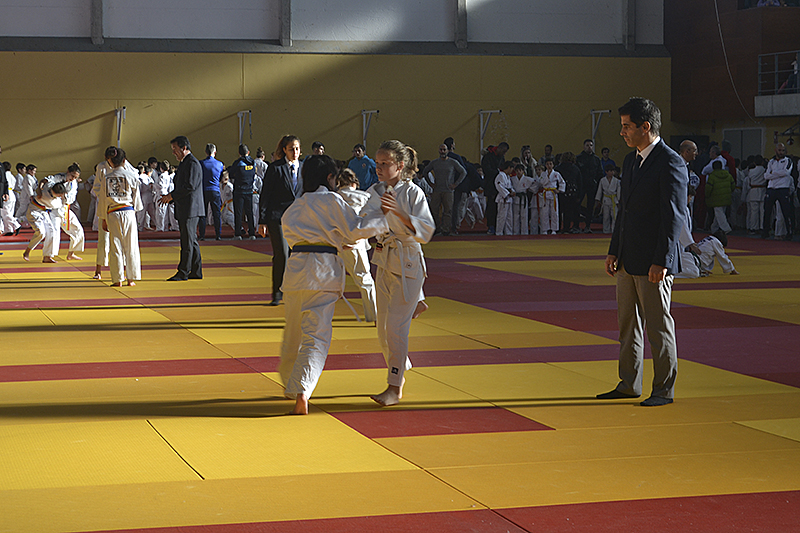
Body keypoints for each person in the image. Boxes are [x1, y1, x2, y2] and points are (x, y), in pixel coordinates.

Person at [279, 155, 390, 415]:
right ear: (330, 178)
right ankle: (302, 390)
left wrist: (335, 240)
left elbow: (290, 234)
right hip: (323, 272)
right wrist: (384, 217)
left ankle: (289, 383)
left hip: (295, 272)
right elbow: (355, 229)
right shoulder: (332, 200)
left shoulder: (296, 204)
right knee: (316, 335)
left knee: (293, 332)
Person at [599, 97, 687, 407]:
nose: (622, 132)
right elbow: (624, 212)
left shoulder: (670, 161)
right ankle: (628, 383)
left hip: (653, 260)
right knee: (628, 325)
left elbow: (673, 216)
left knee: (658, 327)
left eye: (627, 126)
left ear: (645, 127)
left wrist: (662, 260)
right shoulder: (630, 160)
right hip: (627, 257)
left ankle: (663, 389)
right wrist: (613, 251)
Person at [360, 140, 435, 407]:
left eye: (385, 163)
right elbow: (363, 221)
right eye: (377, 163)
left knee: (395, 328)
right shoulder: (374, 191)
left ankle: (394, 386)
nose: (379, 168)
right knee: (382, 329)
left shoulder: (414, 193)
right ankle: (400, 365)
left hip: (408, 263)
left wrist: (401, 214)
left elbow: (426, 232)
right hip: (383, 260)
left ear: (400, 166)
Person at [258, 135, 303, 306]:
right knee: (282, 255)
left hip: (298, 218)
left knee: (296, 256)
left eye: (297, 148)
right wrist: (262, 221)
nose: (295, 152)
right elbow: (265, 195)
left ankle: (294, 291)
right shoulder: (275, 168)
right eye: (291, 149)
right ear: (284, 150)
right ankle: (277, 292)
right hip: (277, 217)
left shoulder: (304, 168)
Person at [335, 168, 378, 322]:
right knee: (365, 280)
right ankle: (374, 316)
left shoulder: (333, 198)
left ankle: (318, 316)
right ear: (354, 182)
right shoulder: (365, 197)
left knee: (327, 283)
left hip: (334, 245)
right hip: (356, 243)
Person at [160, 135, 204, 281]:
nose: (173, 152)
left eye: (175, 149)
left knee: (187, 241)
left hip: (190, 208)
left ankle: (183, 271)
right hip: (187, 207)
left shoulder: (192, 163)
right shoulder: (186, 163)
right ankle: (196, 271)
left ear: (184, 148)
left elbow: (190, 186)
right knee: (191, 240)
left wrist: (171, 196)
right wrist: (171, 197)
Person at [98, 147, 143, 287]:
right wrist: (134, 211)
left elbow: (103, 200)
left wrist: (103, 218)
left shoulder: (106, 178)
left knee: (115, 245)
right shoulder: (132, 176)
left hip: (113, 213)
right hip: (128, 211)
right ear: (124, 161)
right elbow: (136, 199)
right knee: (131, 245)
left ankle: (118, 279)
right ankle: (131, 278)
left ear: (110, 162)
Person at [676, 187, 738, 279]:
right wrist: (690, 243)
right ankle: (671, 274)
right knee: (692, 272)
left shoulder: (684, 209)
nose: (690, 199)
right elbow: (683, 227)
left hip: (688, 253)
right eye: (690, 197)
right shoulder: (680, 208)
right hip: (680, 244)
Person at [42, 163, 85, 261]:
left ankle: (71, 253)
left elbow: (72, 197)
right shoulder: (58, 177)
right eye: (72, 176)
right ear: (68, 172)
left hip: (65, 209)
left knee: (78, 229)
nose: (73, 178)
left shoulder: (74, 183)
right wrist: (42, 187)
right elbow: (47, 181)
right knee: (54, 232)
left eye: (75, 177)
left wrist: (65, 197)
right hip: (55, 210)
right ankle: (47, 256)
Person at [421, 143, 467, 236]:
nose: (442, 151)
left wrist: (455, 184)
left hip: (448, 191)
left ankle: (445, 229)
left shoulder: (453, 162)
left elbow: (463, 172)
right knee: (434, 210)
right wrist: (430, 184)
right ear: (439, 151)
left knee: (448, 211)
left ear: (447, 151)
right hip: (437, 190)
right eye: (441, 150)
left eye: (444, 150)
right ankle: (437, 228)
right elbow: (425, 171)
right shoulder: (435, 162)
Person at [23, 180, 67, 263]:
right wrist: (63, 198)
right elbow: (61, 205)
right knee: (41, 233)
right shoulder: (49, 200)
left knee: (52, 232)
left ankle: (47, 256)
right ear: (55, 192)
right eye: (59, 195)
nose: (60, 196)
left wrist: (40, 188)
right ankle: (27, 251)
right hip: (34, 212)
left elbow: (44, 180)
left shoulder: (48, 186)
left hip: (44, 212)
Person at [762, 142, 795, 240]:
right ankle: (765, 231)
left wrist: (773, 173)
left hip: (783, 188)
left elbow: (786, 172)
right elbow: (766, 176)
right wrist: (777, 174)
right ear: (775, 150)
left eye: (783, 150)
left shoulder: (788, 161)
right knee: (767, 211)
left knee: (786, 212)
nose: (781, 152)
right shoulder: (771, 162)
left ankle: (789, 232)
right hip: (771, 188)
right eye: (779, 150)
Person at [230, 144, 257, 240]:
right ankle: (252, 233)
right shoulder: (253, 163)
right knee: (249, 212)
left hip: (239, 191)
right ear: (248, 152)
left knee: (238, 213)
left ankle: (238, 234)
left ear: (239, 153)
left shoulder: (237, 163)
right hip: (249, 190)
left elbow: (231, 174)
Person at [576, 139, 603, 232]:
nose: (589, 147)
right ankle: (576, 225)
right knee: (577, 205)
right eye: (587, 145)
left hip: (592, 185)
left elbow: (600, 173)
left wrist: (596, 183)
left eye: (591, 145)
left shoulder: (596, 159)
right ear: (584, 146)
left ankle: (588, 226)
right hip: (581, 185)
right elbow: (576, 173)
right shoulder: (578, 158)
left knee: (590, 206)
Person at [199, 143, 224, 241]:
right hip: (215, 190)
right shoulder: (220, 164)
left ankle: (202, 235)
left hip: (204, 190)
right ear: (215, 152)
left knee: (203, 214)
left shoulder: (201, 163)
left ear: (205, 152)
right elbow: (221, 178)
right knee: (216, 214)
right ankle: (218, 234)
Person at [705, 160, 735, 234]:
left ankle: (726, 228)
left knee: (719, 214)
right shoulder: (728, 175)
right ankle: (714, 228)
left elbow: (708, 188)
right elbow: (733, 185)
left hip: (715, 198)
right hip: (726, 197)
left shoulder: (712, 176)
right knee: (720, 214)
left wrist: (707, 196)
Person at [538, 157, 565, 234]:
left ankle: (554, 229)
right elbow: (541, 182)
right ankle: (545, 229)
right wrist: (547, 177)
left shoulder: (556, 174)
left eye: (550, 164)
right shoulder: (543, 174)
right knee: (544, 212)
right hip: (545, 193)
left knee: (554, 212)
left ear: (553, 165)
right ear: (545, 165)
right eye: (547, 164)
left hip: (553, 194)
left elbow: (562, 182)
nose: (549, 166)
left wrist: (559, 190)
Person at [743, 155, 767, 234]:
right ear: (762, 162)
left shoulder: (751, 171)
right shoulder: (765, 170)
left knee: (754, 212)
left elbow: (749, 181)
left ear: (754, 162)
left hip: (753, 191)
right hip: (763, 190)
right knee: (762, 211)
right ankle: (762, 227)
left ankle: (753, 228)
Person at [594, 166, 621, 234]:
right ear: (606, 172)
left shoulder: (617, 181)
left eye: (613, 171)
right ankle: (606, 230)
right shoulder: (602, 180)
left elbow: (618, 192)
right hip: (606, 200)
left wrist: (619, 201)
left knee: (614, 216)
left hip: (614, 200)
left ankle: (614, 230)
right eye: (610, 171)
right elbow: (599, 191)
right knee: (606, 217)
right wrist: (598, 200)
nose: (612, 172)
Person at [493, 160, 516, 235]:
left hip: (509, 199)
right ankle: (499, 232)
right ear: (509, 167)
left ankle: (508, 232)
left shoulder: (507, 176)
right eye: (512, 168)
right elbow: (499, 186)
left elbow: (510, 187)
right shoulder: (501, 175)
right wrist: (507, 193)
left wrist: (513, 192)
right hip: (503, 198)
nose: (512, 170)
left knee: (509, 217)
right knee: (502, 216)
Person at [1, 161, 20, 236]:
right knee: (9, 213)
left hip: (6, 194)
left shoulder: (4, 175)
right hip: (12, 193)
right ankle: (9, 229)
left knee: (5, 213)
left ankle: (16, 225)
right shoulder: (12, 175)